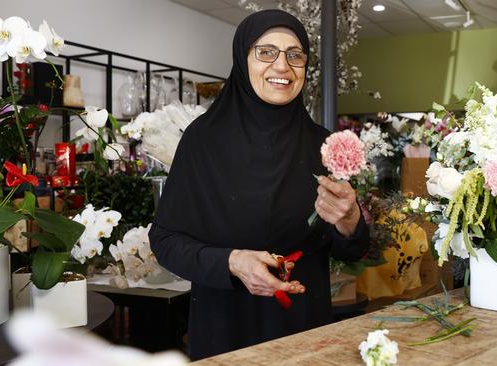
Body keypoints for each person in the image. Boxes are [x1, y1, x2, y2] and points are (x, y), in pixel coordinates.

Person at [149, 9, 369, 361]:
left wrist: (349, 222)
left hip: (304, 327)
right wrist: (231, 262)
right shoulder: (203, 140)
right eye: (266, 52)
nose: (282, 66)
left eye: (295, 55)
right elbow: (165, 240)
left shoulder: (323, 146)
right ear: (242, 59)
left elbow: (351, 250)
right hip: (225, 325)